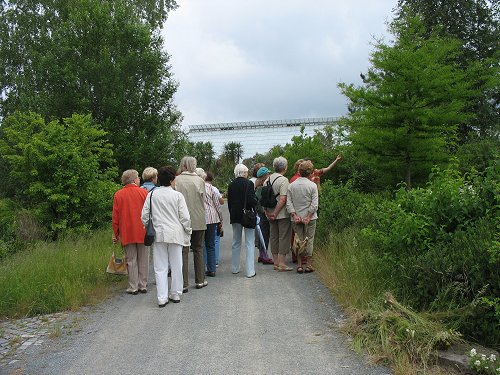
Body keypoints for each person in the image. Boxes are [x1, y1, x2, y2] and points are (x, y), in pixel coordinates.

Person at [141, 166, 191, 307]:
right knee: (176, 264)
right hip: (175, 234)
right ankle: (175, 293)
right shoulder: (177, 195)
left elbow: (144, 216)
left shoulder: (151, 195)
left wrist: (148, 227)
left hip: (158, 233)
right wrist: (188, 230)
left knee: (160, 266)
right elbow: (185, 217)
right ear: (171, 179)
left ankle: (161, 297)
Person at [112, 169, 149, 295]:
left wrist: (116, 233)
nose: (139, 179)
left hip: (127, 232)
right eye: (138, 177)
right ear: (134, 180)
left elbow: (115, 217)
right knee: (143, 258)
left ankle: (133, 286)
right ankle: (142, 285)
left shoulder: (118, 194)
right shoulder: (143, 193)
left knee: (131, 259)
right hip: (142, 230)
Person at [175, 156, 207, 292]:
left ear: (182, 165)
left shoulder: (176, 180)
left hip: (181, 220)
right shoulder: (200, 180)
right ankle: (200, 280)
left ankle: (183, 283)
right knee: (199, 249)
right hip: (198, 218)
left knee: (183, 251)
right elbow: (203, 200)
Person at [286, 160, 319, 273]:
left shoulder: (291, 186)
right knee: (309, 240)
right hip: (310, 218)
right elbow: (314, 204)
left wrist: (294, 215)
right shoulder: (313, 186)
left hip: (296, 218)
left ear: (299, 171)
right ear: (310, 172)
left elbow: (288, 203)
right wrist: (309, 216)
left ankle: (299, 265)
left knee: (298, 240)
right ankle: (308, 264)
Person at [227, 164, 258, 278]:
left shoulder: (231, 185)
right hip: (247, 215)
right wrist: (255, 201)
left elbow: (229, 202)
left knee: (236, 242)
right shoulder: (249, 183)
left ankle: (235, 268)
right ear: (245, 173)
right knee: (249, 242)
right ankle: (250, 271)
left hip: (235, 216)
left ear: (236, 172)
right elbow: (251, 200)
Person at [264, 157, 293, 271]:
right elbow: (282, 199)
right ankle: (282, 263)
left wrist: (267, 212)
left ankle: (275, 262)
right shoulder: (284, 180)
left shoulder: (267, 180)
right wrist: (276, 213)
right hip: (281, 214)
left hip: (270, 212)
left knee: (274, 236)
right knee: (284, 236)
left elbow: (263, 198)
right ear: (285, 168)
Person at [196, 168, 222, 277]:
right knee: (210, 244)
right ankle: (211, 269)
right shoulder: (211, 188)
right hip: (212, 218)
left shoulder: (194, 187)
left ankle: (201, 269)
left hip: (199, 218)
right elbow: (217, 205)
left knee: (199, 245)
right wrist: (220, 219)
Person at [254, 166, 273, 264]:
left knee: (262, 234)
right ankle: (264, 256)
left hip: (258, 213)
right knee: (265, 234)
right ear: (264, 176)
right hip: (263, 213)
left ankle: (261, 255)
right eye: (268, 173)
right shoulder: (262, 189)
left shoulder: (256, 187)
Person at [205, 171, 225, 267]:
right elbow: (221, 202)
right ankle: (214, 261)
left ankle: (205, 262)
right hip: (213, 217)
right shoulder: (214, 189)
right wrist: (221, 220)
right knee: (214, 240)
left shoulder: (199, 187)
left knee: (204, 242)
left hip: (202, 217)